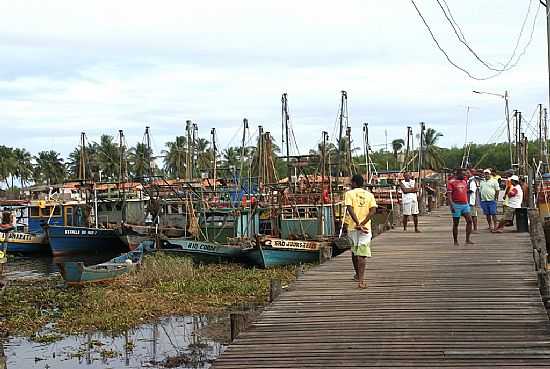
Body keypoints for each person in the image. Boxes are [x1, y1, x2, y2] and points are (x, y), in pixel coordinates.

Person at [345, 174, 377, 289]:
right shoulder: (370, 195)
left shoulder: (349, 194)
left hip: (353, 227)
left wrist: (357, 224)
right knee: (362, 253)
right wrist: (363, 224)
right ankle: (361, 280)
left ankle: (358, 275)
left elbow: (350, 208)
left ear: (354, 183)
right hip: (365, 228)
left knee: (354, 251)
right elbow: (373, 211)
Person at [447, 168, 474, 246]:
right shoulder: (451, 182)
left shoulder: (465, 181)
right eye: (463, 174)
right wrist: (451, 205)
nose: (464, 175)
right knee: (456, 223)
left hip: (465, 204)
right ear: (458, 174)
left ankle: (467, 239)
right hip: (456, 205)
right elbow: (449, 195)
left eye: (465, 174)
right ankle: (455, 241)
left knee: (469, 221)